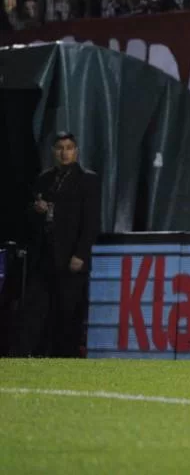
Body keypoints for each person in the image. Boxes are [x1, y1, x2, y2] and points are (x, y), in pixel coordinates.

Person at [12, 132, 100, 357]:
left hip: (71, 255)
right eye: (60, 148)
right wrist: (36, 210)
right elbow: (29, 219)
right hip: (44, 255)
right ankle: (31, 354)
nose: (65, 152)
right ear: (53, 151)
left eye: (69, 147)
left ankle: (66, 357)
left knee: (68, 311)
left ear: (76, 151)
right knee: (35, 308)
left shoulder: (87, 179)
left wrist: (81, 254)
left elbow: (91, 222)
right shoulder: (44, 178)